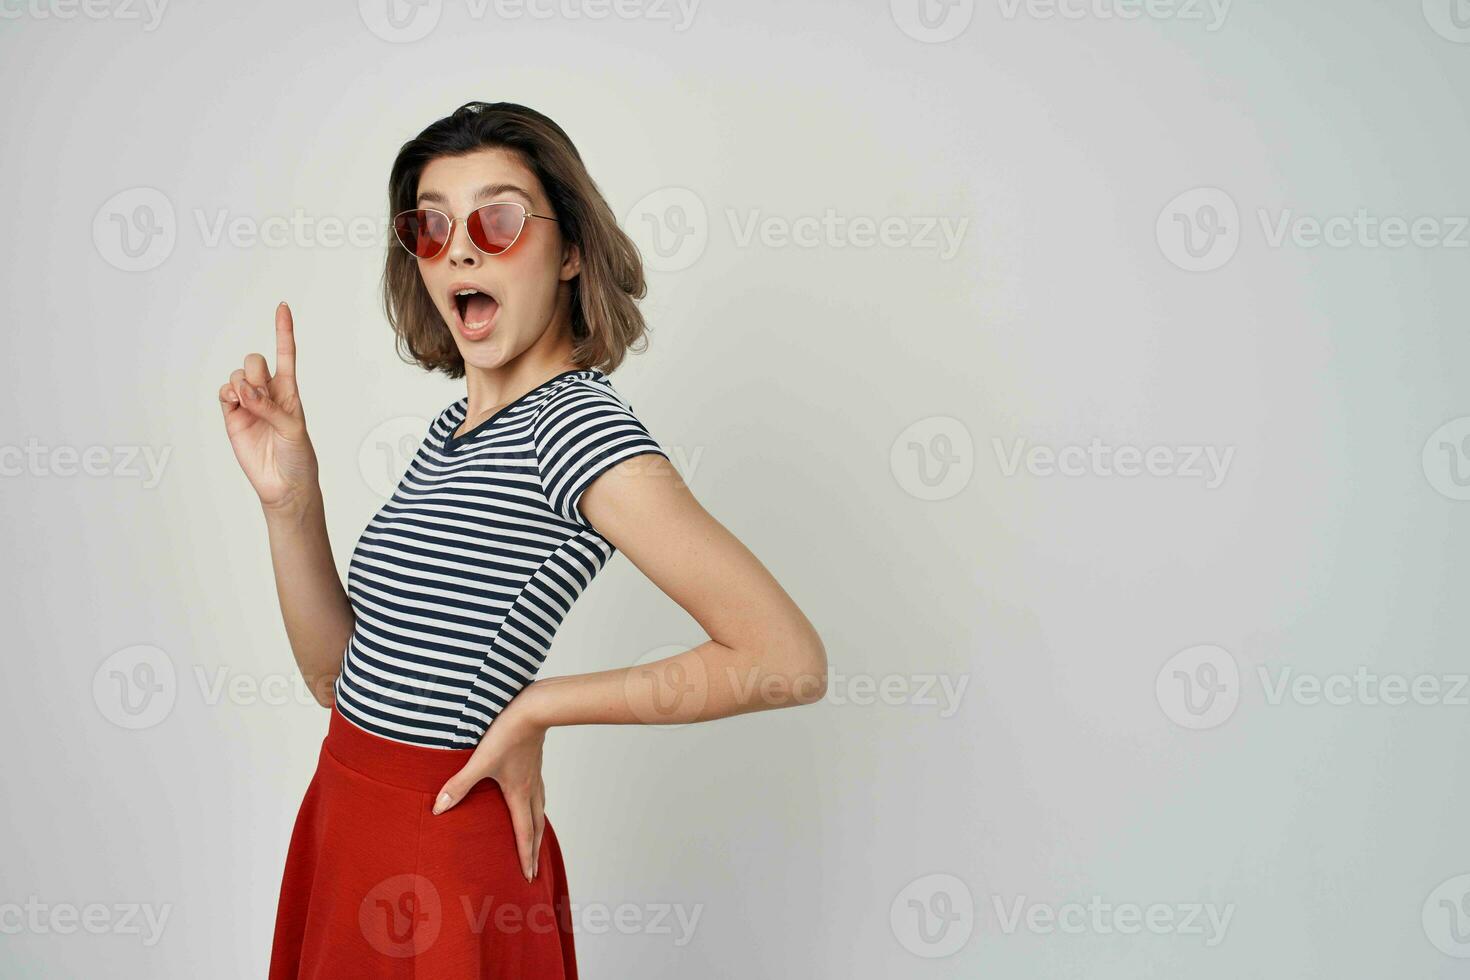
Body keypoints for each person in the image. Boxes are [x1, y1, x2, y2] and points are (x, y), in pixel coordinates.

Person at [216, 101, 828, 978]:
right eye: (430, 227)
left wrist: (539, 705)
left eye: (497, 220)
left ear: (571, 249)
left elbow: (785, 657)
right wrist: (291, 503)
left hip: (442, 855)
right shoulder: (453, 431)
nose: (459, 249)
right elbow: (334, 680)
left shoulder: (575, 426)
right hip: (346, 814)